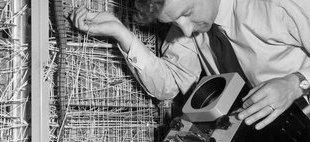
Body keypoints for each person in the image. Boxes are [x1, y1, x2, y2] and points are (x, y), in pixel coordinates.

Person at [70, 0, 310, 130]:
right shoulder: (191, 27)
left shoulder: (276, 4)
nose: (184, 29)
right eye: (175, 20)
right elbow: (169, 85)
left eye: (186, 12)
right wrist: (122, 34)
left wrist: (296, 83)